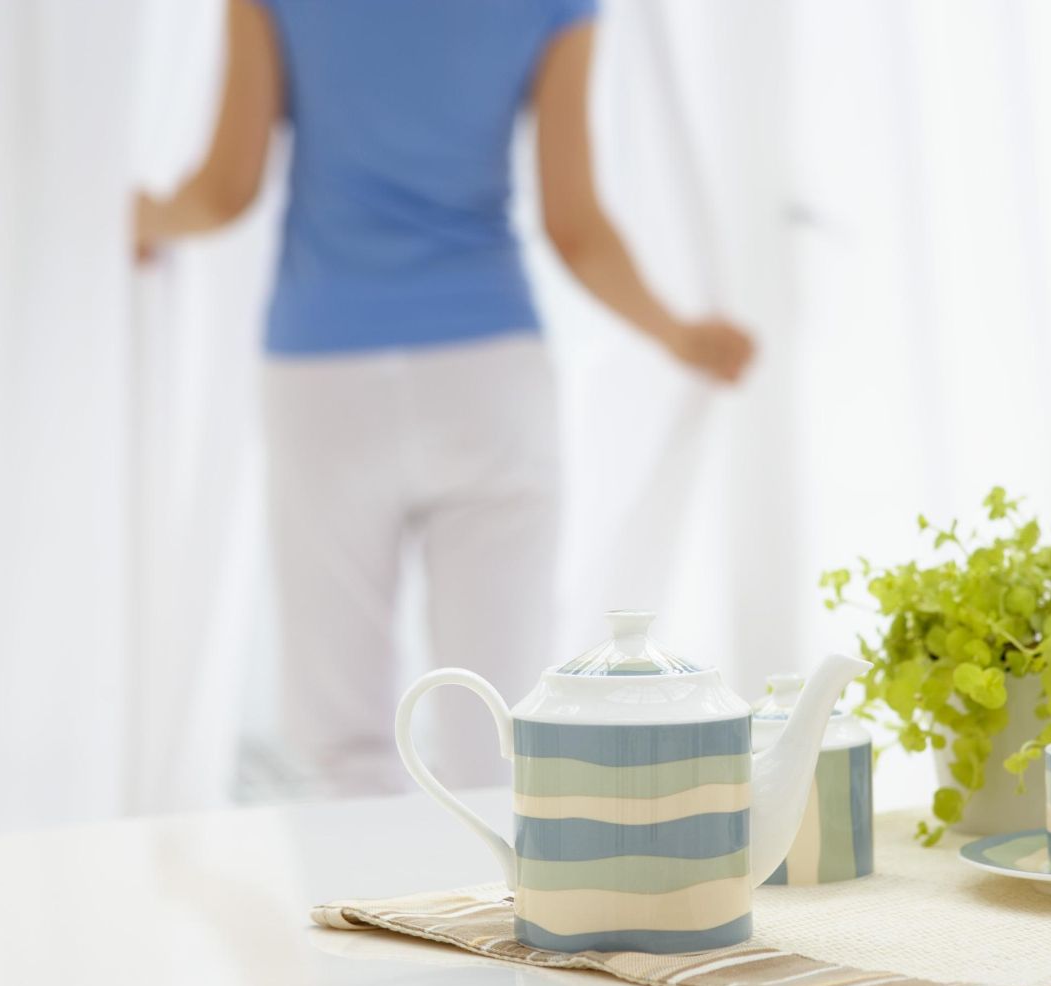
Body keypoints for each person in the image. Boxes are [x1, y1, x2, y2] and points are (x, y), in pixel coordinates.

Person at [135, 0, 755, 795]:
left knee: (341, 747)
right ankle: (500, 881)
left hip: (326, 379)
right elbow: (576, 227)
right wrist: (677, 334)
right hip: (488, 380)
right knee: (502, 730)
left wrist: (141, 217)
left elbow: (224, 191)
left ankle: (359, 878)